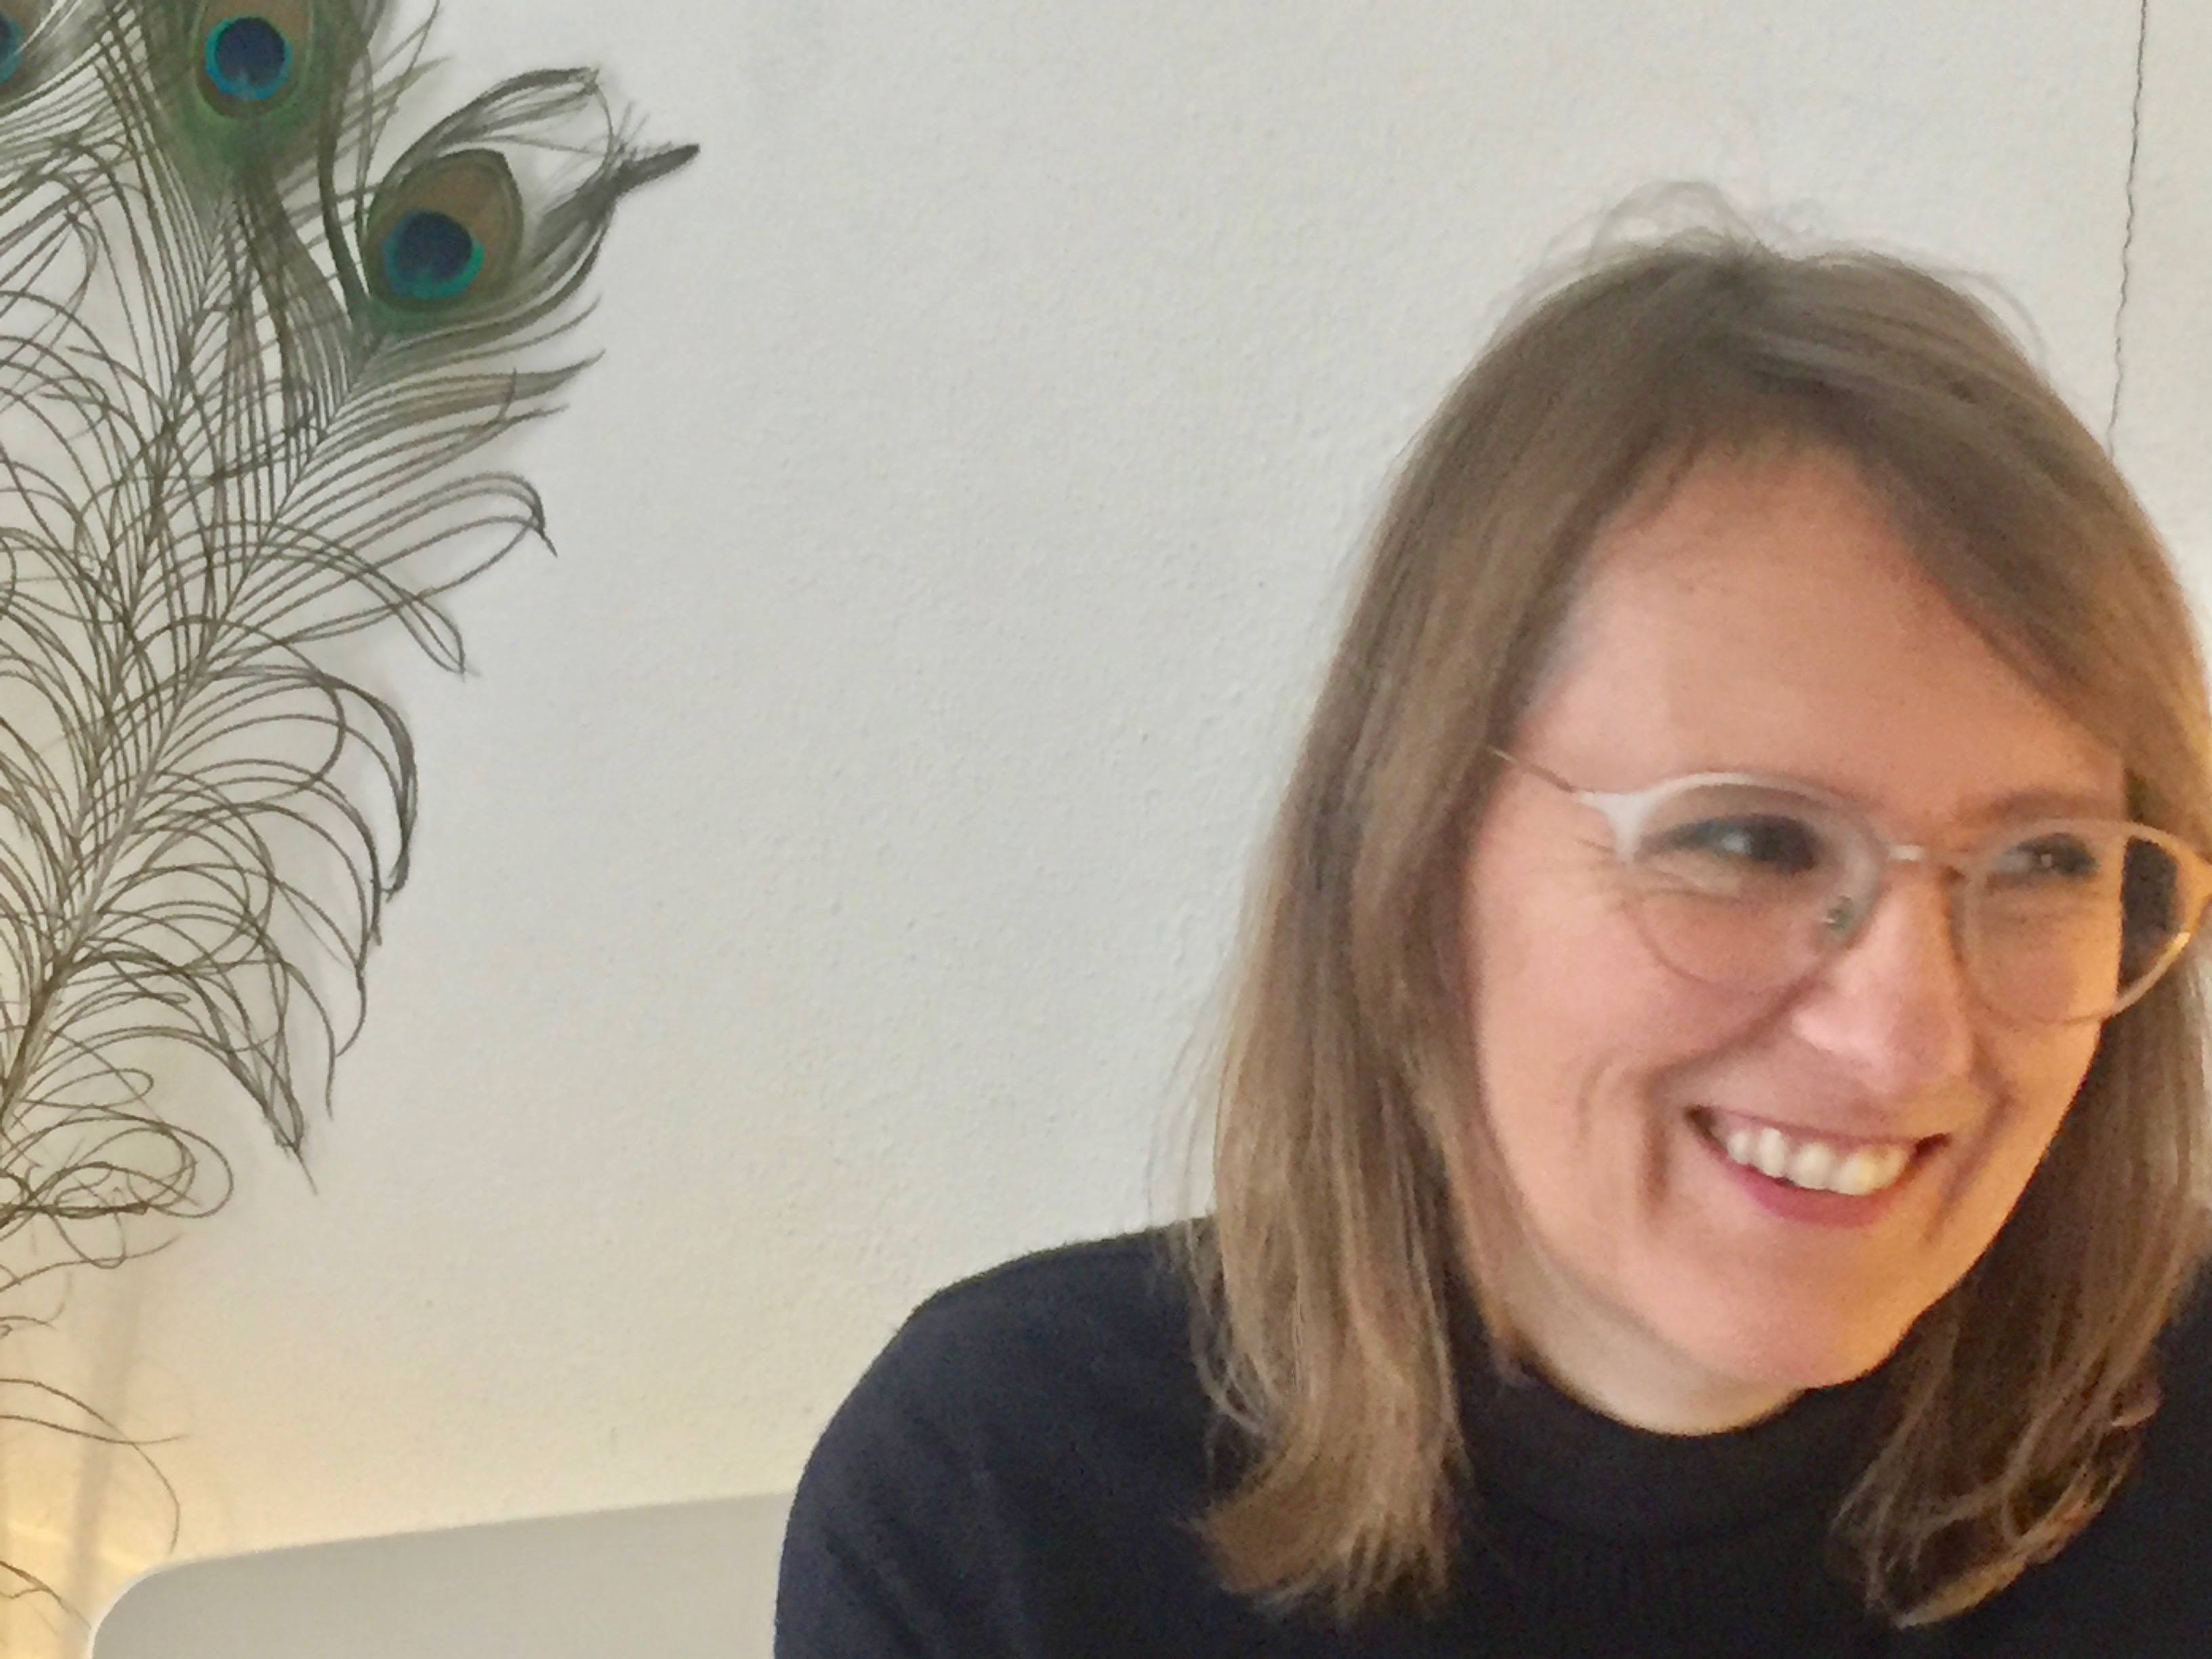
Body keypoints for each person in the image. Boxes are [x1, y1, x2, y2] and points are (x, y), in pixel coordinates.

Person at [773, 211, 2212, 1658]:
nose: (1906, 1038)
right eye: (1748, 843)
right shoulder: (1007, 1498)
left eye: (2046, 860)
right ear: (1412, 856)